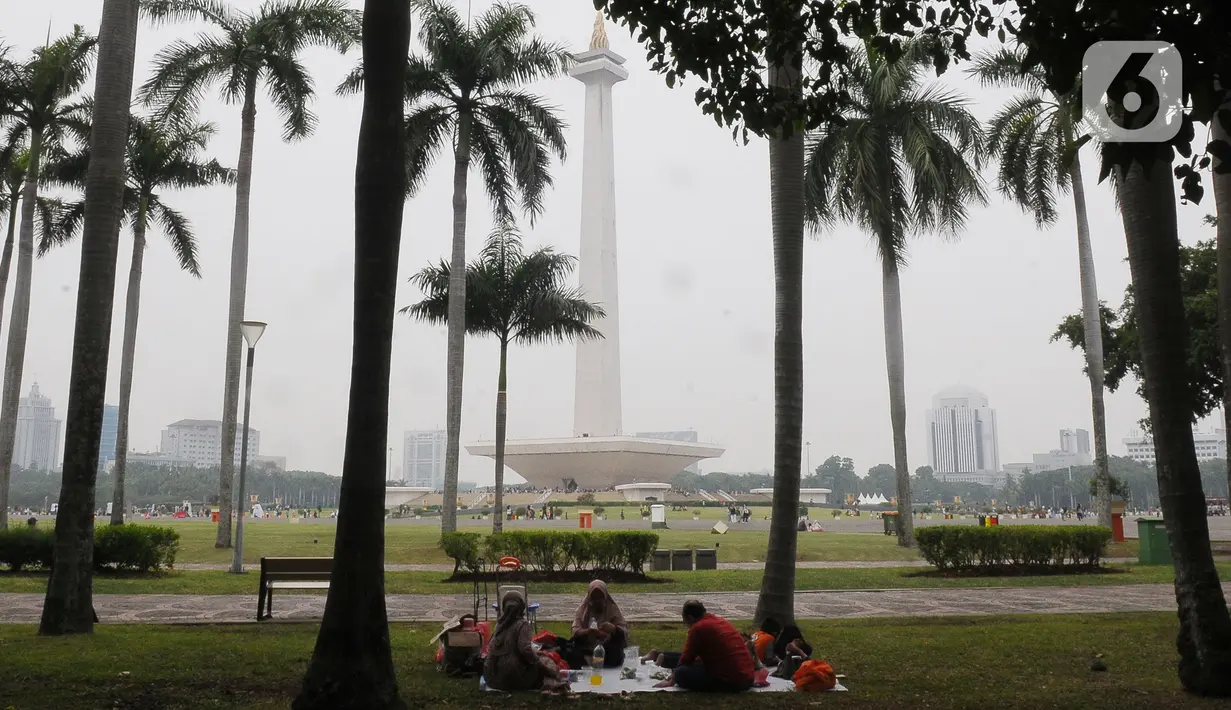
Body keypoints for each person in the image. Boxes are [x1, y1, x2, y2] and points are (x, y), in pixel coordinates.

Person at [648, 600, 754, 692]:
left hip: (731, 680)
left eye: (685, 623)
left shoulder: (699, 628)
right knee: (686, 662)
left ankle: (659, 656)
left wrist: (673, 678)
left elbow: (686, 659)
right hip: (747, 676)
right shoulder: (721, 621)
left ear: (690, 618)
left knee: (681, 672)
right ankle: (659, 655)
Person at [484, 590, 569, 692]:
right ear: (522, 606)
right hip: (513, 678)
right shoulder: (522, 625)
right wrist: (545, 668)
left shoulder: (499, 624)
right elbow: (525, 650)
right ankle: (553, 684)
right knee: (545, 660)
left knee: (538, 658)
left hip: (492, 679)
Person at [567, 580, 629, 667]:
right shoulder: (583, 611)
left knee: (615, 651)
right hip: (586, 648)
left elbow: (623, 632)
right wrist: (588, 632)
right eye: (594, 598)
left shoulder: (612, 610)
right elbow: (575, 630)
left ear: (605, 598)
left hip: (607, 650)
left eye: (600, 597)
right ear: (589, 598)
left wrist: (613, 629)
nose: (597, 601)